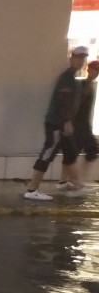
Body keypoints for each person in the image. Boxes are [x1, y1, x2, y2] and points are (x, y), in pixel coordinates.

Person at [24, 46, 89, 201]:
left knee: (71, 153)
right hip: (57, 124)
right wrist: (66, 121)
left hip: (62, 124)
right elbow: (64, 100)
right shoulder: (67, 77)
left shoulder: (73, 78)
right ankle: (32, 189)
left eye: (82, 58)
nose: (80, 61)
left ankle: (76, 185)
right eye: (77, 58)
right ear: (71, 58)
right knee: (47, 154)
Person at [57, 59, 99, 191]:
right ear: (88, 69)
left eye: (98, 71)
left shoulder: (90, 85)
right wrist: (69, 122)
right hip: (78, 125)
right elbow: (73, 106)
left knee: (87, 151)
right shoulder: (82, 85)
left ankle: (71, 180)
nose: (96, 73)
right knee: (74, 153)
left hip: (84, 124)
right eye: (95, 70)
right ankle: (74, 181)